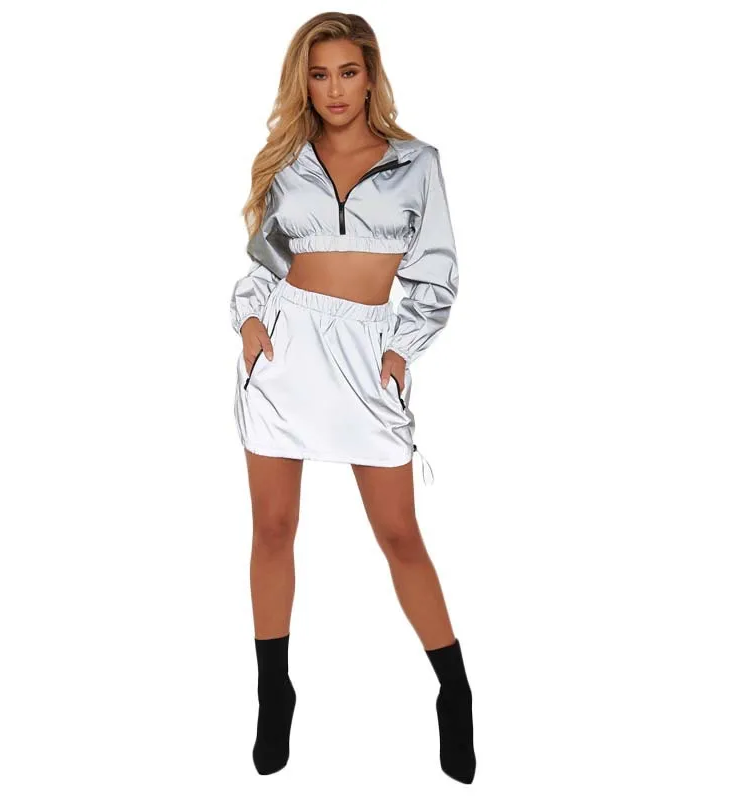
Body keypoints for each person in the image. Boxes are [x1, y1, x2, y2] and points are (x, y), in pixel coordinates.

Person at [229, 12, 475, 784]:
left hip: (367, 357)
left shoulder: (415, 163)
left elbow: (436, 273)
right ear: (303, 83)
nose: (333, 88)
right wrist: (250, 322)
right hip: (285, 354)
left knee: (399, 533)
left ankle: (454, 687)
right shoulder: (288, 162)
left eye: (347, 71)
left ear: (370, 76)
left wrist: (400, 349)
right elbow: (265, 262)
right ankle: (274, 690)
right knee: (274, 528)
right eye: (318, 73)